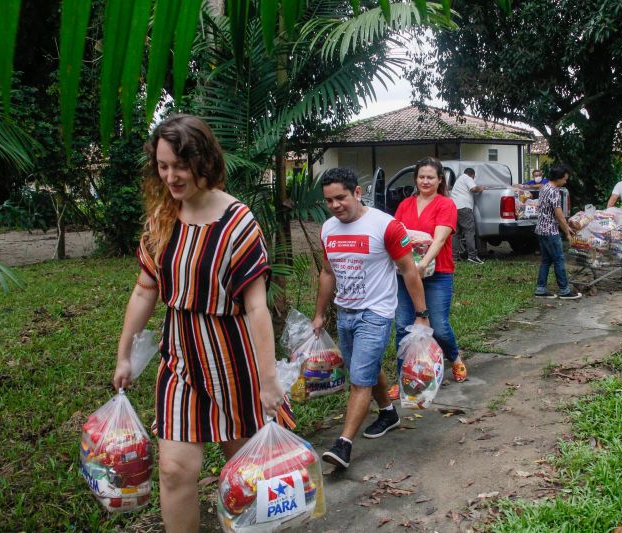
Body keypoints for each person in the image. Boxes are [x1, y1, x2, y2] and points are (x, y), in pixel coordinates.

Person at [112, 114, 288, 532]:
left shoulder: (237, 222)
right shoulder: (162, 218)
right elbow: (144, 290)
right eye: (163, 165)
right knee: (174, 470)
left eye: (180, 165)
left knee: (247, 473)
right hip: (180, 360)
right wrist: (124, 355)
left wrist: (267, 380)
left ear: (204, 161)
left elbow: (256, 308)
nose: (171, 176)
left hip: (233, 363)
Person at [315, 167, 429, 469]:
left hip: (376, 314)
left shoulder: (385, 226)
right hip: (345, 312)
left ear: (357, 192)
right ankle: (388, 412)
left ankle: (344, 445)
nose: (335, 205)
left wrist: (422, 314)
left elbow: (408, 270)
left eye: (340, 197)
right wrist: (318, 315)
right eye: (329, 200)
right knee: (365, 368)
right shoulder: (328, 229)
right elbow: (327, 273)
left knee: (359, 380)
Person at [390, 156, 466, 401]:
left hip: (437, 273)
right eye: (421, 176)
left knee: (440, 327)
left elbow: (440, 238)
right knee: (403, 326)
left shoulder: (446, 205)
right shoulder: (404, 205)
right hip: (405, 275)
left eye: (430, 177)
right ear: (416, 179)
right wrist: (409, 268)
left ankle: (454, 357)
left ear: (439, 180)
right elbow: (398, 237)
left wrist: (422, 265)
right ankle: (404, 378)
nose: (425, 181)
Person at [534, 165, 581, 300]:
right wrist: (567, 232)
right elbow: (559, 215)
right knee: (559, 259)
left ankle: (541, 289)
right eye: (565, 179)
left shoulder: (544, 187)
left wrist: (566, 227)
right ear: (558, 178)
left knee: (546, 260)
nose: (565, 182)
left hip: (541, 229)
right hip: (550, 231)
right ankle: (564, 290)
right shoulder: (554, 191)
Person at [450, 167, 484, 264]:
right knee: (469, 232)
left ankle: (454, 257)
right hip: (464, 208)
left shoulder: (459, 180)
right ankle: (472, 256)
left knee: (455, 234)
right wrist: (481, 188)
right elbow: (474, 189)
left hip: (454, 208)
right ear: (472, 175)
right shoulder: (467, 178)